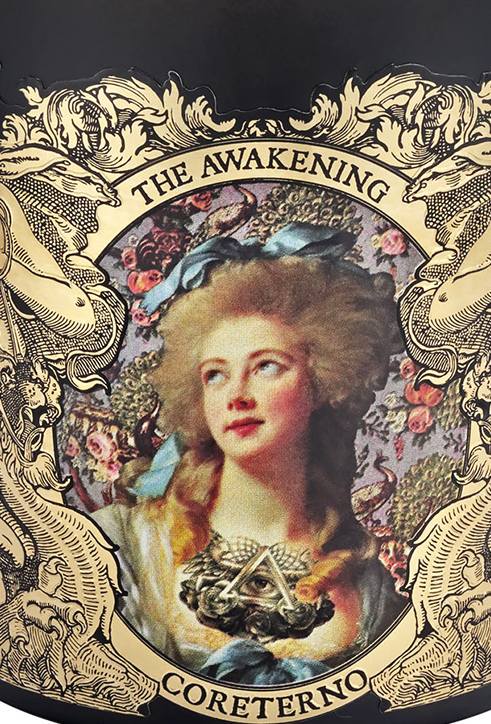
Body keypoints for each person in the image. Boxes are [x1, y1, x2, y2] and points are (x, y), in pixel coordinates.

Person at [95, 231, 404, 685]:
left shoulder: (368, 585)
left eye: (266, 366)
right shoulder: (121, 545)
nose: (236, 395)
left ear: (320, 383)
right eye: (215, 375)